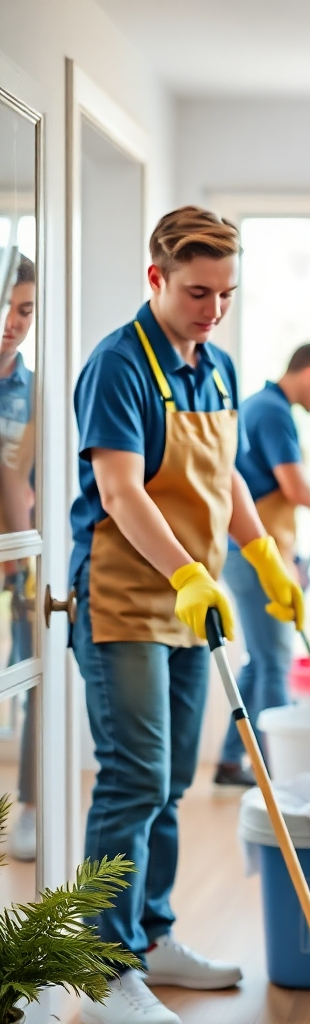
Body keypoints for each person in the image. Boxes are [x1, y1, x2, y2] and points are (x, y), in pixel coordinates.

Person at [69, 206, 304, 1024]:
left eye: (227, 294)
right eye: (198, 292)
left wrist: (264, 555)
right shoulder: (118, 366)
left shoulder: (220, 366)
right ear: (156, 278)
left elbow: (227, 477)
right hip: (127, 598)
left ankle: (152, 933)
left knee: (171, 781)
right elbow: (120, 490)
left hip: (189, 597)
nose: (212, 309)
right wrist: (188, 575)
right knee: (133, 778)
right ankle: (102, 969)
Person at [214, 341, 310, 788]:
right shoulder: (273, 411)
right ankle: (278, 775)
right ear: (309, 373)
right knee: (275, 663)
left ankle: (232, 760)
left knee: (261, 660)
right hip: (253, 553)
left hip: (253, 551)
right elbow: (293, 485)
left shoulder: (262, 406)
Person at [0, 255, 38, 861]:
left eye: (26, 310)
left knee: (34, 678)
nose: (13, 322)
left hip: (21, 557)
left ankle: (29, 808)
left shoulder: (38, 395)